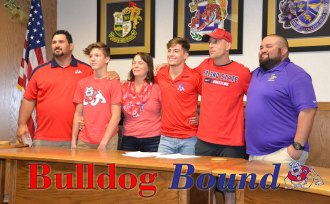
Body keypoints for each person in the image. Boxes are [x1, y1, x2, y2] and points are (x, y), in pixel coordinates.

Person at [194, 28, 251, 204]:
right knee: (205, 189)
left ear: (228, 45)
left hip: (231, 143)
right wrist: (165, 67)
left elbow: (258, 100)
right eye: (209, 42)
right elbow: (185, 81)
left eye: (216, 42)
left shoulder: (242, 72)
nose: (211, 45)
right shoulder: (204, 66)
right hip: (205, 140)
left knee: (229, 189)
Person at [245, 34, 317, 164]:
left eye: (269, 46)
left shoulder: (295, 74)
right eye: (261, 47)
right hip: (254, 153)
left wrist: (297, 147)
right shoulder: (255, 74)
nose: (263, 50)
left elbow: (308, 110)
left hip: (283, 154)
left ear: (284, 51)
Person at [16, 30, 93, 148]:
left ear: (71, 46)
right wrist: (21, 124)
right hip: (43, 139)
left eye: (61, 42)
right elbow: (28, 100)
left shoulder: (87, 70)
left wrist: (112, 74)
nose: (57, 45)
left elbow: (101, 90)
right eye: (54, 42)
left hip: (77, 140)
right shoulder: (39, 71)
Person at [71, 42, 121, 151]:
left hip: (108, 141)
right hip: (84, 141)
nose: (93, 59)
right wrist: (73, 141)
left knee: (108, 169)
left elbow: (116, 116)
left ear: (107, 59)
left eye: (97, 56)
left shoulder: (114, 83)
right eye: (90, 56)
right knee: (82, 169)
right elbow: (78, 114)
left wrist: (104, 143)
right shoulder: (82, 83)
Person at [156, 37, 201, 155]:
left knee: (187, 174)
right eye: (169, 50)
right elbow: (140, 78)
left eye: (176, 51)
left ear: (185, 55)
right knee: (163, 174)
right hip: (165, 138)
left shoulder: (194, 76)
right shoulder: (159, 74)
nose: (171, 54)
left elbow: (210, 99)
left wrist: (202, 118)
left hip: (189, 139)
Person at [120, 52, 161, 152]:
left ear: (148, 67)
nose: (136, 66)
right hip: (128, 139)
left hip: (153, 140)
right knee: (127, 168)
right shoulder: (123, 87)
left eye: (140, 63)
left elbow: (167, 112)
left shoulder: (157, 88)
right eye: (134, 63)